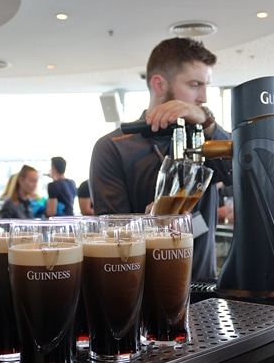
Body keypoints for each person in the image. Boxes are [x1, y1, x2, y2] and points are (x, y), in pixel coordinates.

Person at [89, 37, 233, 282]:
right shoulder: (112, 148)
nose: (204, 97)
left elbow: (244, 171)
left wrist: (206, 121)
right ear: (159, 85)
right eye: (195, 84)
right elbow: (112, 236)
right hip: (141, 294)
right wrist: (148, 227)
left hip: (205, 290)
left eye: (206, 85)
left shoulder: (204, 140)